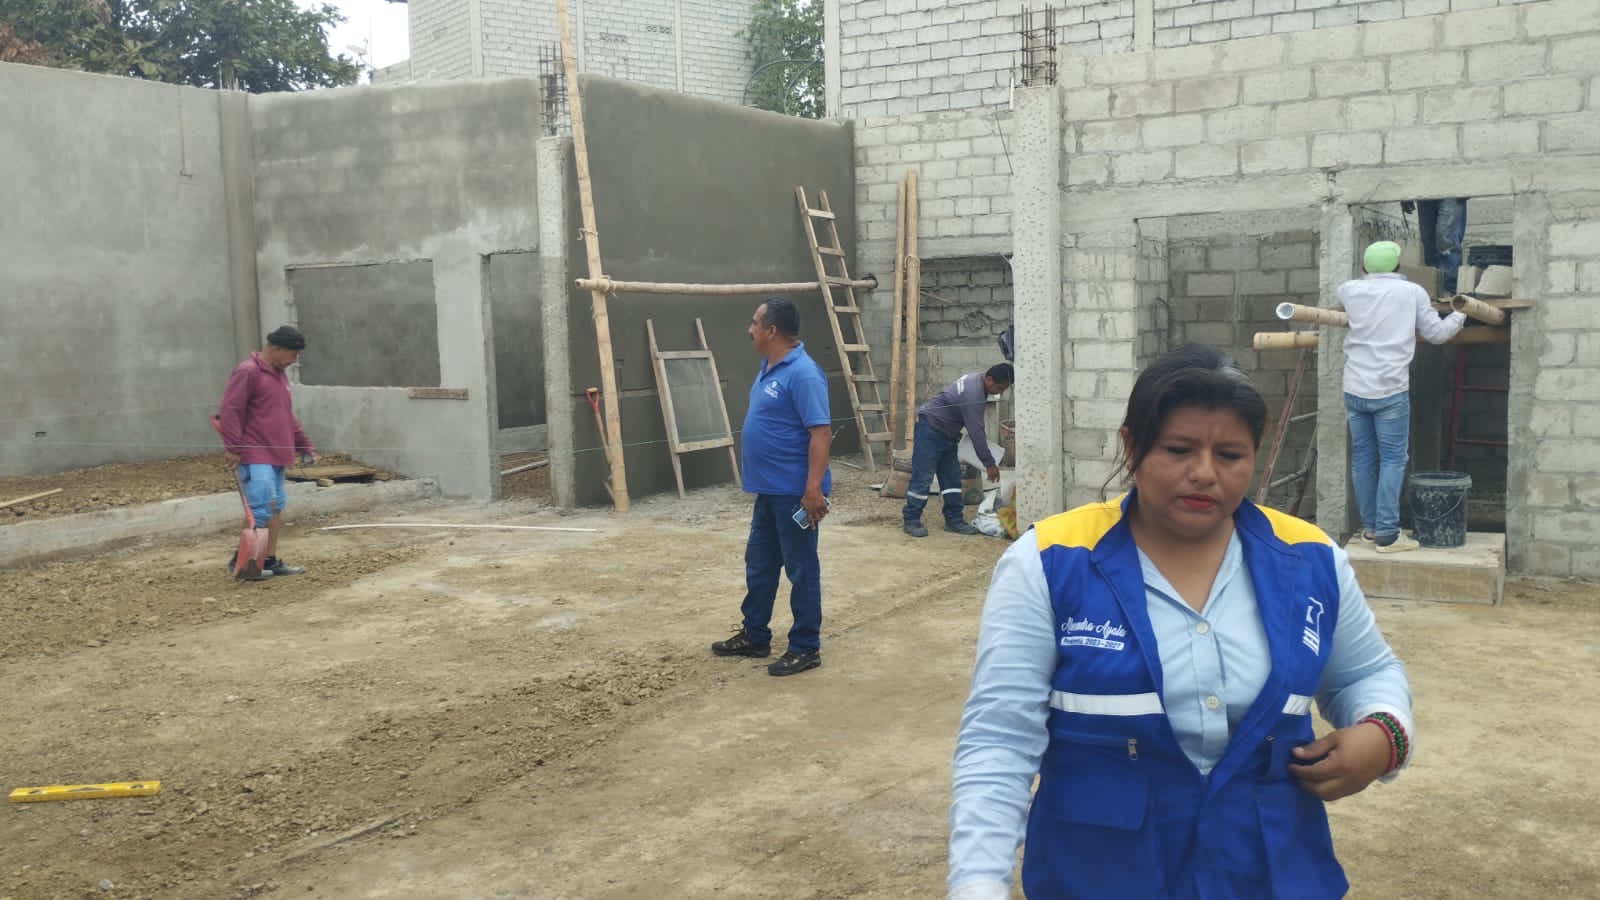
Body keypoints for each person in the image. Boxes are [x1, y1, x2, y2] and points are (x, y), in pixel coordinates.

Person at [948, 344, 1414, 900]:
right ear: (1131, 445)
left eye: (1231, 455)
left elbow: (1366, 673)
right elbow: (1000, 738)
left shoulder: (1310, 560)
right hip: (1099, 878)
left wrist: (1384, 734)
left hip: (1268, 876)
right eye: (1178, 450)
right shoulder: (1050, 562)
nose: (1204, 474)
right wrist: (978, 883)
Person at [710, 298, 832, 677]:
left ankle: (805, 647)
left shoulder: (804, 374)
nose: (749, 330)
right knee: (760, 564)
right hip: (768, 491)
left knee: (801, 569)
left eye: (754, 323)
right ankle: (755, 634)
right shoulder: (769, 367)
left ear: (772, 330)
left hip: (795, 494)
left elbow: (820, 433)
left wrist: (813, 489)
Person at [1341, 240, 1466, 553]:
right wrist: (1460, 314)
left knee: (1363, 459)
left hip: (1354, 388)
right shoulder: (1412, 293)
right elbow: (1437, 335)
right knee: (1393, 460)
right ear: (1398, 265)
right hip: (1389, 390)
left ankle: (1371, 528)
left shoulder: (1348, 290)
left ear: (1364, 267)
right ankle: (1387, 533)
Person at [217, 325, 318, 580]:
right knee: (260, 508)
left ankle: (268, 560)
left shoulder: (280, 376)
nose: (294, 360)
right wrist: (233, 447)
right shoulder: (248, 372)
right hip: (255, 453)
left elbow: (285, 416)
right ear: (276, 348)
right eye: (293, 354)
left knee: (275, 508)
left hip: (277, 453)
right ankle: (245, 564)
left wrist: (304, 444)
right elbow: (230, 410)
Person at [902, 363, 1013, 538]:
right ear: (989, 379)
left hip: (948, 434)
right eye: (1000, 388)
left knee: (952, 479)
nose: (1000, 392)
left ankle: (954, 520)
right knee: (923, 477)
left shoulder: (977, 380)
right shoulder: (973, 393)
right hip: (930, 430)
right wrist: (989, 463)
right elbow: (976, 431)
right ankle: (911, 520)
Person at [1406, 198, 1468, 296]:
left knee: (1446, 241)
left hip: (1451, 193)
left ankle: (1449, 292)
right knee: (1429, 243)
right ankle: (1434, 290)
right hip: (1424, 195)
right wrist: (1406, 196)